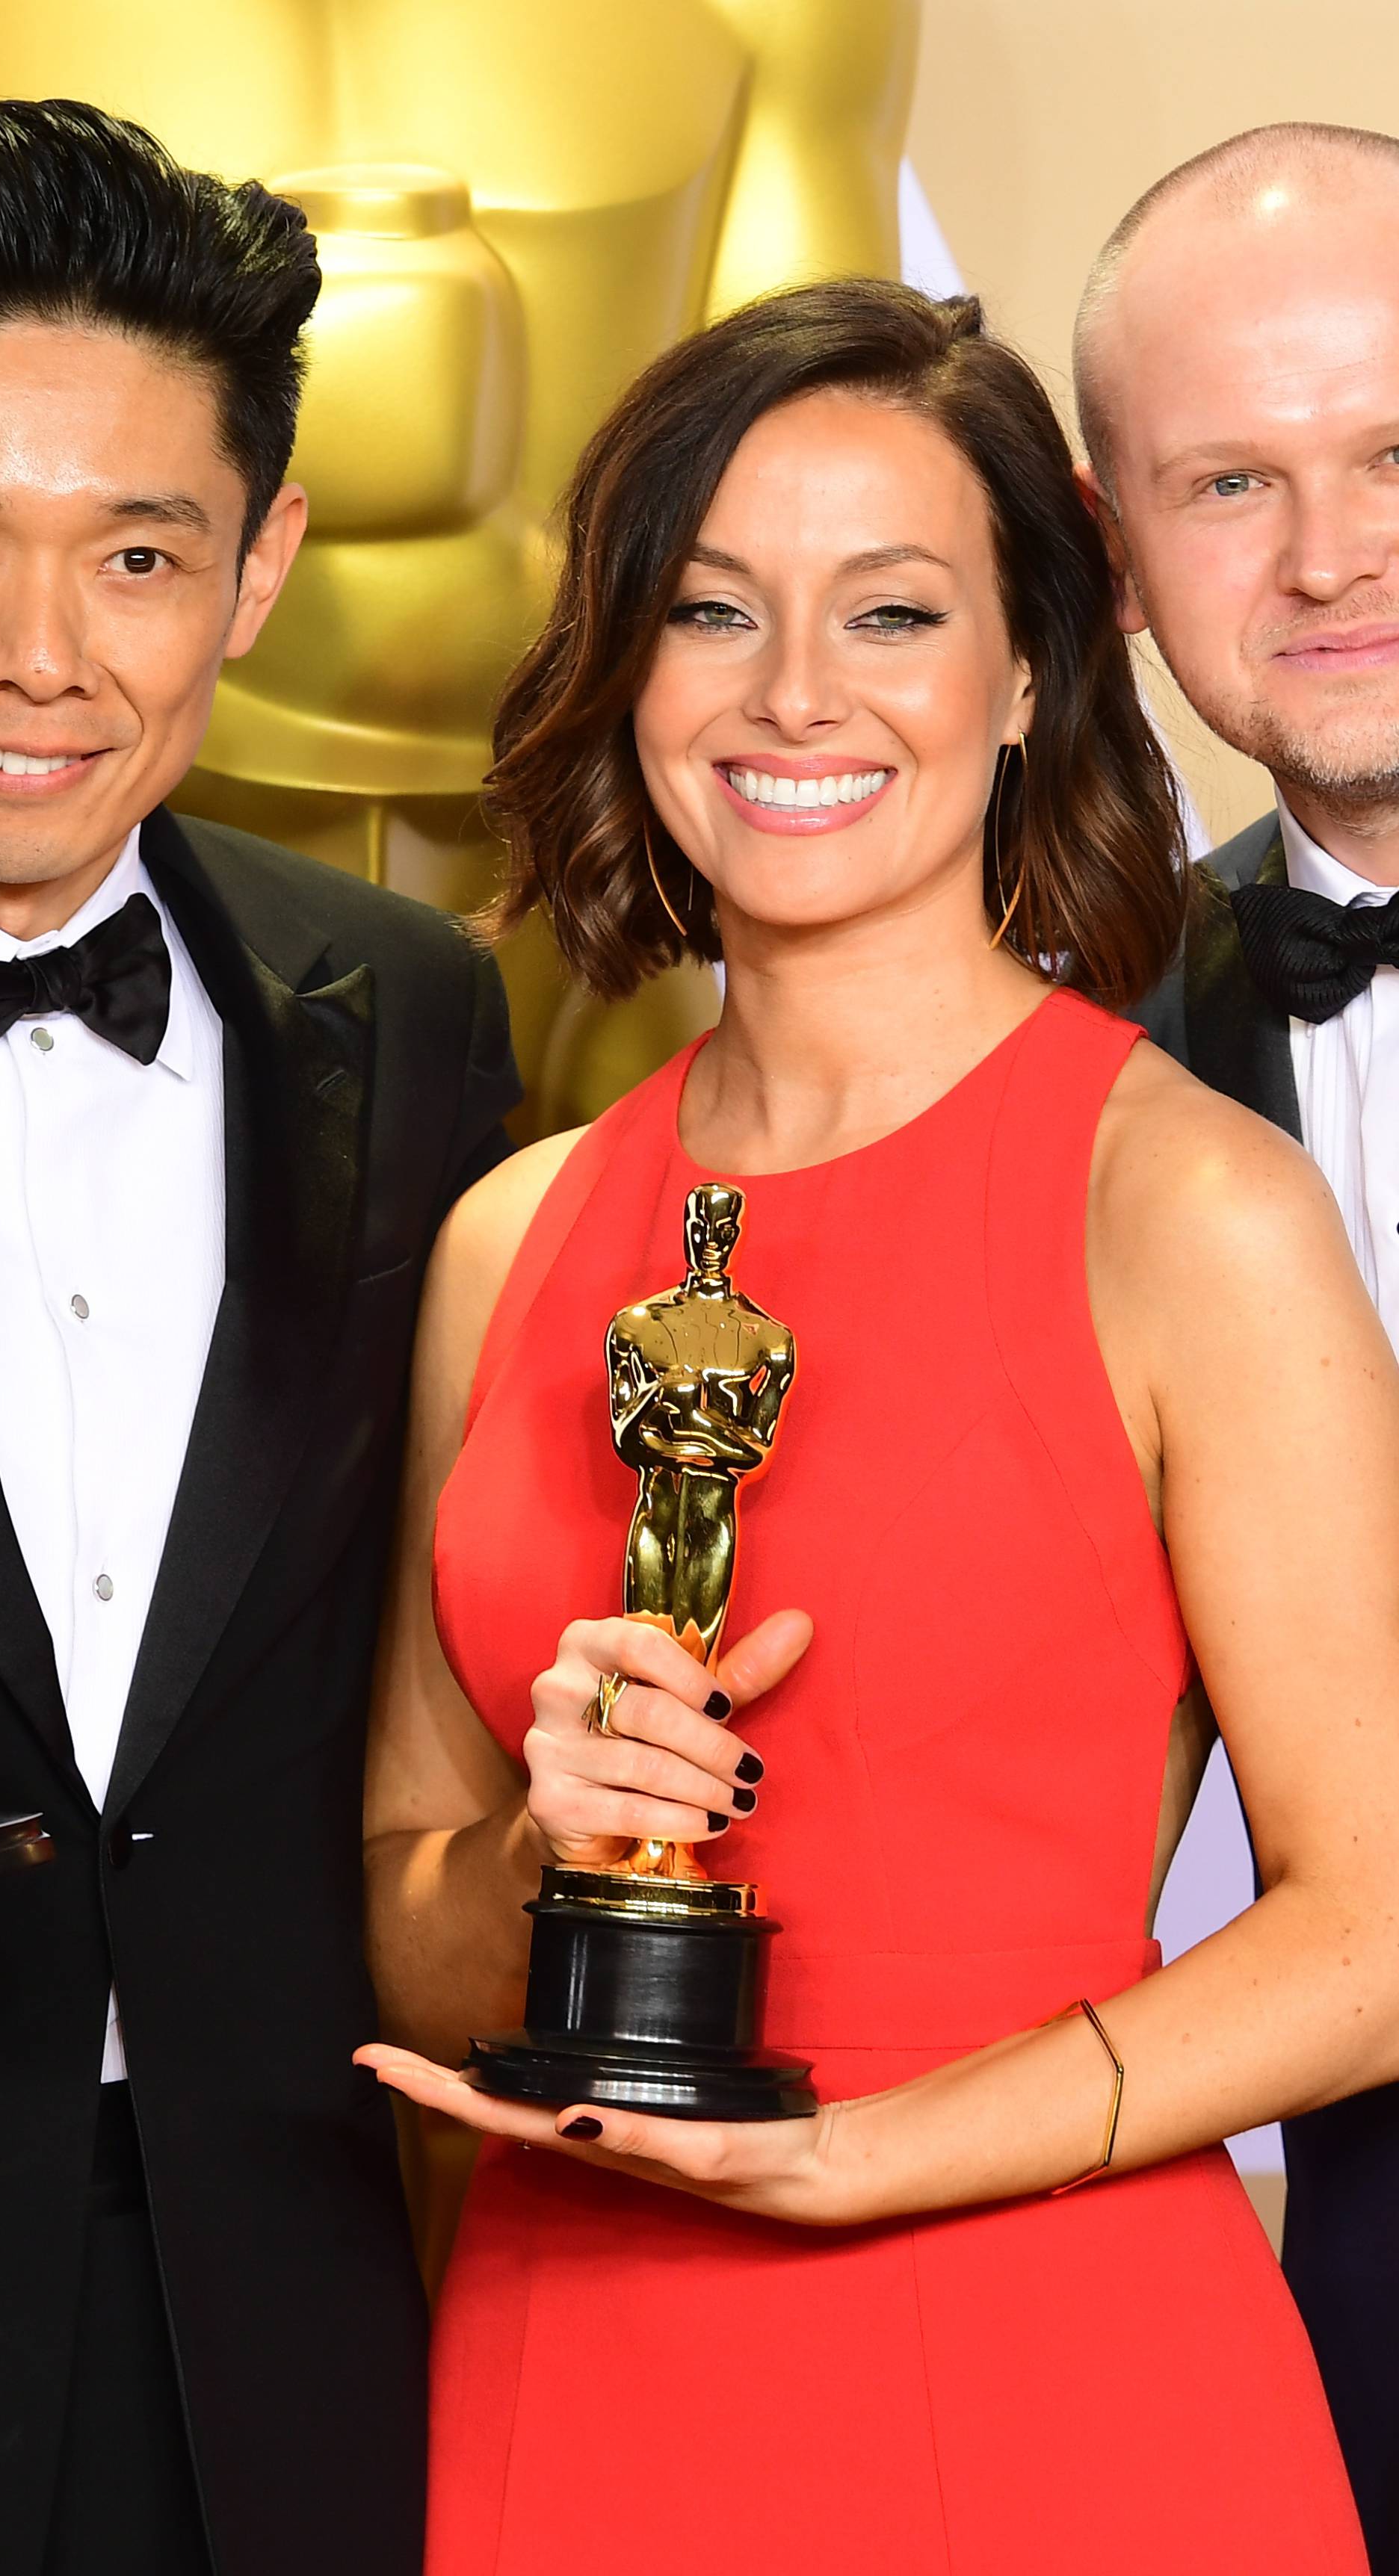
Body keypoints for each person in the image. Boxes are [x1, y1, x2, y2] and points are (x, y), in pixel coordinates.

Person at [358, 276, 1398, 2573]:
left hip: (1049, 2353)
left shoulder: (1193, 1205)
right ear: (626, 664)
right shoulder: (509, 1237)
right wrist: (550, 1852)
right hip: (569, 2371)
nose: (797, 694)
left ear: (1030, 670)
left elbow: (1384, 1922)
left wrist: (866, 2152)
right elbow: (409, 1920)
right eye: (713, 608)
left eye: (893, 610)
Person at [0, 99, 519, 2576]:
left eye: (139, 555)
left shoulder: (407, 1011)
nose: (37, 658)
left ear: (262, 570)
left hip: (279, 2291)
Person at [1072, 120, 1399, 2569]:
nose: (1329, 558)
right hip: (1287, 2282)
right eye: (1230, 480)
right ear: (1109, 548)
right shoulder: (1079, 1049)